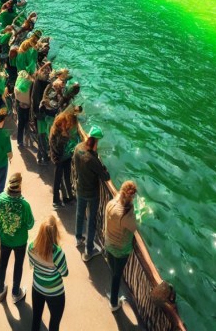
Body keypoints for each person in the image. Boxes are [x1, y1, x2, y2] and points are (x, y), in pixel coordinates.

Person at [0, 172, 34, 305]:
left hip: (5, 239)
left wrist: (1, 230)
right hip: (20, 241)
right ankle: (16, 293)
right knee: (18, 265)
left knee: (2, 263)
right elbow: (30, 224)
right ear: (20, 185)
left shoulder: (0, 199)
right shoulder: (24, 204)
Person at [73, 126, 110, 261]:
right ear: (95, 142)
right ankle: (89, 250)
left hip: (80, 188)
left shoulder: (78, 149)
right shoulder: (92, 159)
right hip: (91, 193)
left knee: (80, 213)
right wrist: (102, 166)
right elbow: (105, 176)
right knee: (91, 220)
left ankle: (78, 238)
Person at [28, 215, 68, 331]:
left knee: (36, 318)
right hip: (55, 293)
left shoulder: (31, 247)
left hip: (37, 288)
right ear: (55, 232)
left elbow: (32, 265)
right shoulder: (58, 253)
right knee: (54, 323)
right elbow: (64, 273)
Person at [104, 180, 138, 313]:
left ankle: (113, 294)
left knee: (113, 271)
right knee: (117, 276)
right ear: (132, 196)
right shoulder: (126, 215)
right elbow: (134, 227)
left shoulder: (111, 204)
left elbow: (119, 199)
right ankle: (114, 302)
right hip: (120, 250)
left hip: (108, 244)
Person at [49, 110, 78, 208]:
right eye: (64, 124)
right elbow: (57, 149)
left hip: (66, 158)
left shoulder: (63, 129)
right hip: (59, 159)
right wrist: (65, 138)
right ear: (59, 123)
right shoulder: (55, 133)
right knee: (58, 180)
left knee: (67, 177)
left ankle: (68, 198)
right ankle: (56, 200)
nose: (66, 125)